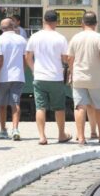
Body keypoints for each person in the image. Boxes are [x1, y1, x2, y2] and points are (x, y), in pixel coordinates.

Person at [25, 10, 72, 145]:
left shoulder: (35, 36)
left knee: (40, 107)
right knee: (59, 108)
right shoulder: (60, 38)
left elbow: (28, 56)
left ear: (43, 21)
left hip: (39, 76)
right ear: (56, 22)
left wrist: (34, 70)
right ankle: (61, 135)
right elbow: (65, 58)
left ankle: (42, 137)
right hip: (56, 77)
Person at [67, 11, 100, 145]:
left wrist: (72, 71)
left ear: (82, 23)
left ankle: (81, 137)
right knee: (99, 107)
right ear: (96, 24)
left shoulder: (75, 38)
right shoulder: (99, 38)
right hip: (95, 78)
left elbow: (70, 58)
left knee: (80, 107)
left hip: (79, 77)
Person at [0, 17, 28, 141]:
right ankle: (15, 129)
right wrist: (22, 72)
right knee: (15, 103)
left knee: (2, 104)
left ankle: (3, 130)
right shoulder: (21, 40)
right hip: (18, 76)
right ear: (13, 26)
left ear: (2, 28)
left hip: (3, 76)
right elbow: (25, 59)